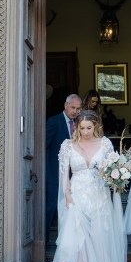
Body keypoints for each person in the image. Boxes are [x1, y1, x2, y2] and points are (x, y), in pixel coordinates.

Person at [42, 110, 127, 262]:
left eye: (89, 128)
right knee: (79, 245)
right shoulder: (67, 146)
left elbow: (113, 168)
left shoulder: (105, 144)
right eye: (82, 128)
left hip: (99, 199)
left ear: (95, 126)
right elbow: (64, 176)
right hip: (77, 198)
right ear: (76, 127)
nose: (86, 132)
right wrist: (68, 197)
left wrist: (119, 176)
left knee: (98, 242)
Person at [45, 93, 82, 243]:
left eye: (78, 109)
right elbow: (45, 147)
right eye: (73, 107)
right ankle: (45, 241)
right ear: (65, 106)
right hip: (55, 173)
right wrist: (47, 171)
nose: (75, 111)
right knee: (52, 206)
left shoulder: (81, 124)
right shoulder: (54, 121)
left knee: (72, 207)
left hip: (75, 175)